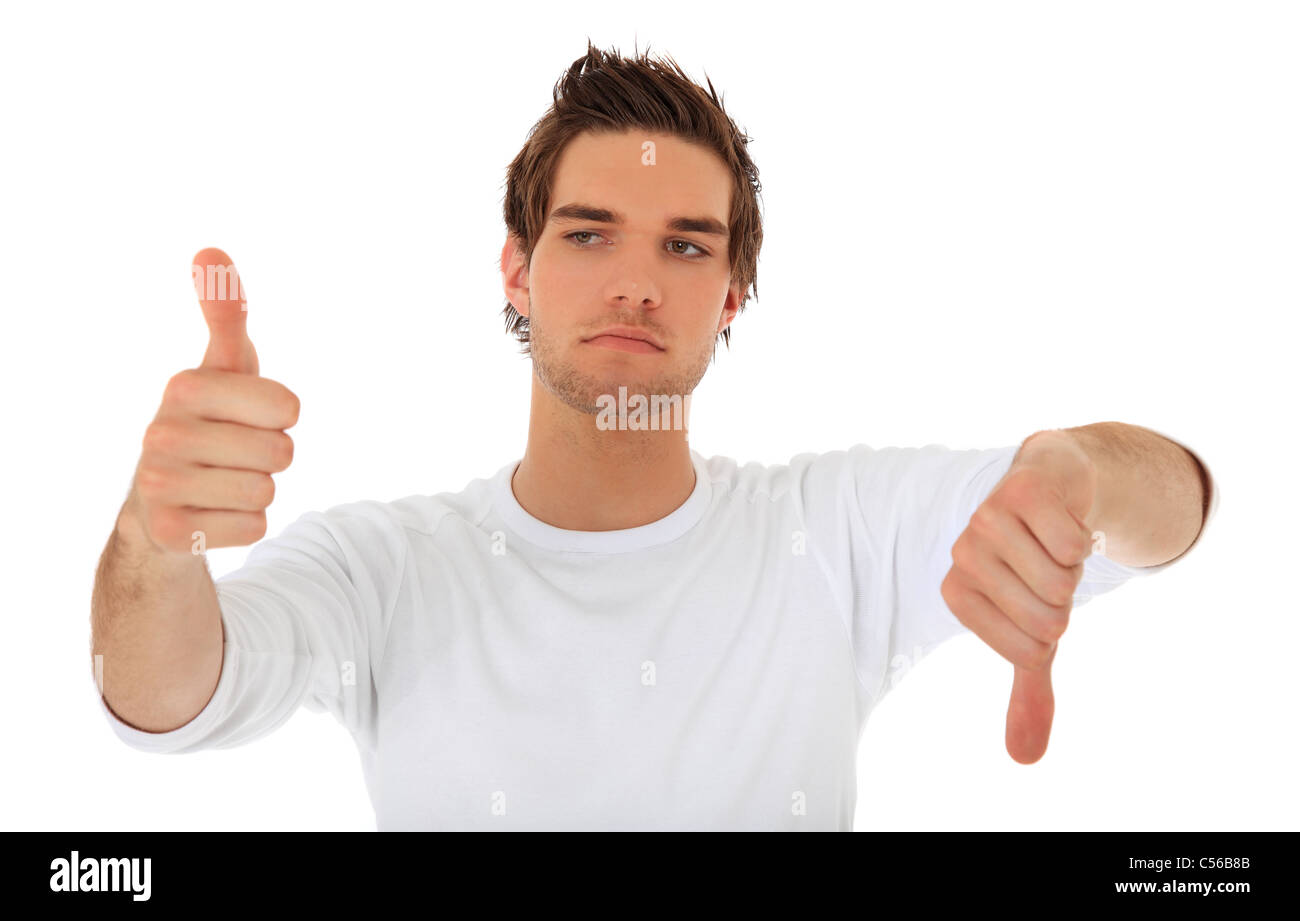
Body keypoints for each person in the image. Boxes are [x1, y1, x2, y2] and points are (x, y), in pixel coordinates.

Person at [89, 40, 1217, 831]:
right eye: (589, 235)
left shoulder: (832, 537)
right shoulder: (381, 569)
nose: (636, 282)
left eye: (685, 246)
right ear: (516, 273)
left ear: (731, 295)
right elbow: (163, 699)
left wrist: (1075, 471)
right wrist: (156, 532)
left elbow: (1175, 508)